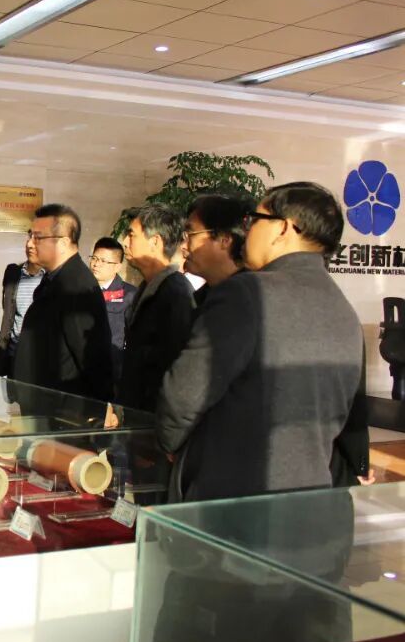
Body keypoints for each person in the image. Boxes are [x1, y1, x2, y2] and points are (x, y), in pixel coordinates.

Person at [157, 182, 369, 502]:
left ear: (283, 228)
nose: (247, 230)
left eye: (254, 220)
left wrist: (171, 445)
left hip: (231, 497)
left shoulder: (246, 293)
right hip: (311, 494)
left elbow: (183, 394)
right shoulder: (343, 309)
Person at [11, 205, 113, 401]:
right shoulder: (54, 279)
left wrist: (99, 409)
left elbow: (93, 360)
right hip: (42, 404)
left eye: (38, 237)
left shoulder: (77, 287)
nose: (30, 244)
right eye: (30, 235)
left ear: (64, 243)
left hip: (62, 410)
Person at [119, 205, 195, 413]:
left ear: (155, 242)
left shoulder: (176, 293)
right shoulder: (148, 287)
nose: (125, 242)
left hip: (155, 417)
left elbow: (174, 364)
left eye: (131, 235)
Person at [181, 194, 251, 306]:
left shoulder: (248, 300)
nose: (183, 246)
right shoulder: (205, 298)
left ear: (225, 240)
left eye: (190, 234)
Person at [89, 237, 136, 387]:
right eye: (94, 258)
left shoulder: (129, 295)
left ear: (117, 267)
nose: (96, 264)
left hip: (112, 371)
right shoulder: (81, 289)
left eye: (103, 261)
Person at [0, 238, 45, 376]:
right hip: (12, 353)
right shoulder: (13, 272)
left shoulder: (52, 277)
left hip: (37, 358)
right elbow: (8, 313)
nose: (30, 244)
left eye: (37, 239)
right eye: (29, 238)